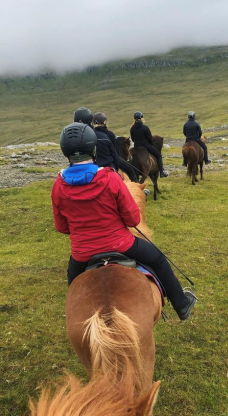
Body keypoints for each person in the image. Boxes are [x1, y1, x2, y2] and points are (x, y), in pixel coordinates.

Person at [52, 122, 197, 320]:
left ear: (64, 152)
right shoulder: (111, 178)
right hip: (121, 244)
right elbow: (132, 218)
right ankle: (181, 304)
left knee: (74, 284)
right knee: (158, 260)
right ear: (93, 148)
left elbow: (61, 227)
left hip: (82, 253)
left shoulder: (58, 186)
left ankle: (74, 317)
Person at [92, 111, 138, 182]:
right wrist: (116, 168)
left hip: (94, 163)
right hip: (109, 162)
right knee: (130, 170)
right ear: (104, 122)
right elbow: (115, 153)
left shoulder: (90, 133)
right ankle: (137, 185)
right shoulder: (110, 134)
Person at [73, 107, 120, 172]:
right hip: (106, 169)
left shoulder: (72, 138)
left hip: (80, 171)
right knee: (130, 170)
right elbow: (115, 156)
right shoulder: (103, 136)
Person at [130, 112, 169, 178]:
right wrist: (150, 144)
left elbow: (133, 139)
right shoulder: (145, 128)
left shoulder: (132, 128)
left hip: (136, 147)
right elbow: (150, 139)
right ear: (141, 118)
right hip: (146, 146)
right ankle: (162, 172)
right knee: (159, 156)